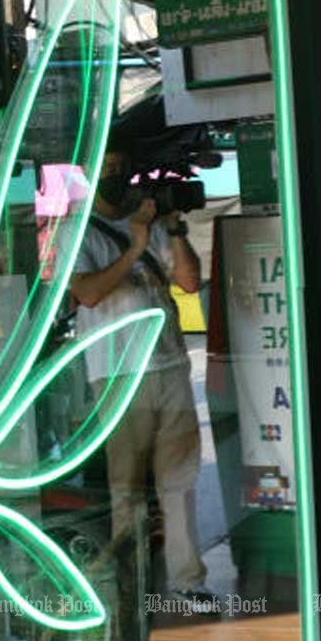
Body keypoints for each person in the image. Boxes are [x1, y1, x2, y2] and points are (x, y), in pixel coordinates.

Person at [69, 152, 211, 613]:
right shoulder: (78, 231)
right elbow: (87, 293)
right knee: (126, 487)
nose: (116, 176)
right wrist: (134, 248)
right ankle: (130, 588)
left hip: (170, 365)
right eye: (107, 169)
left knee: (180, 480)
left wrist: (173, 230)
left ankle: (188, 582)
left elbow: (190, 282)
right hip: (118, 373)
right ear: (88, 174)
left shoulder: (147, 221)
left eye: (121, 168)